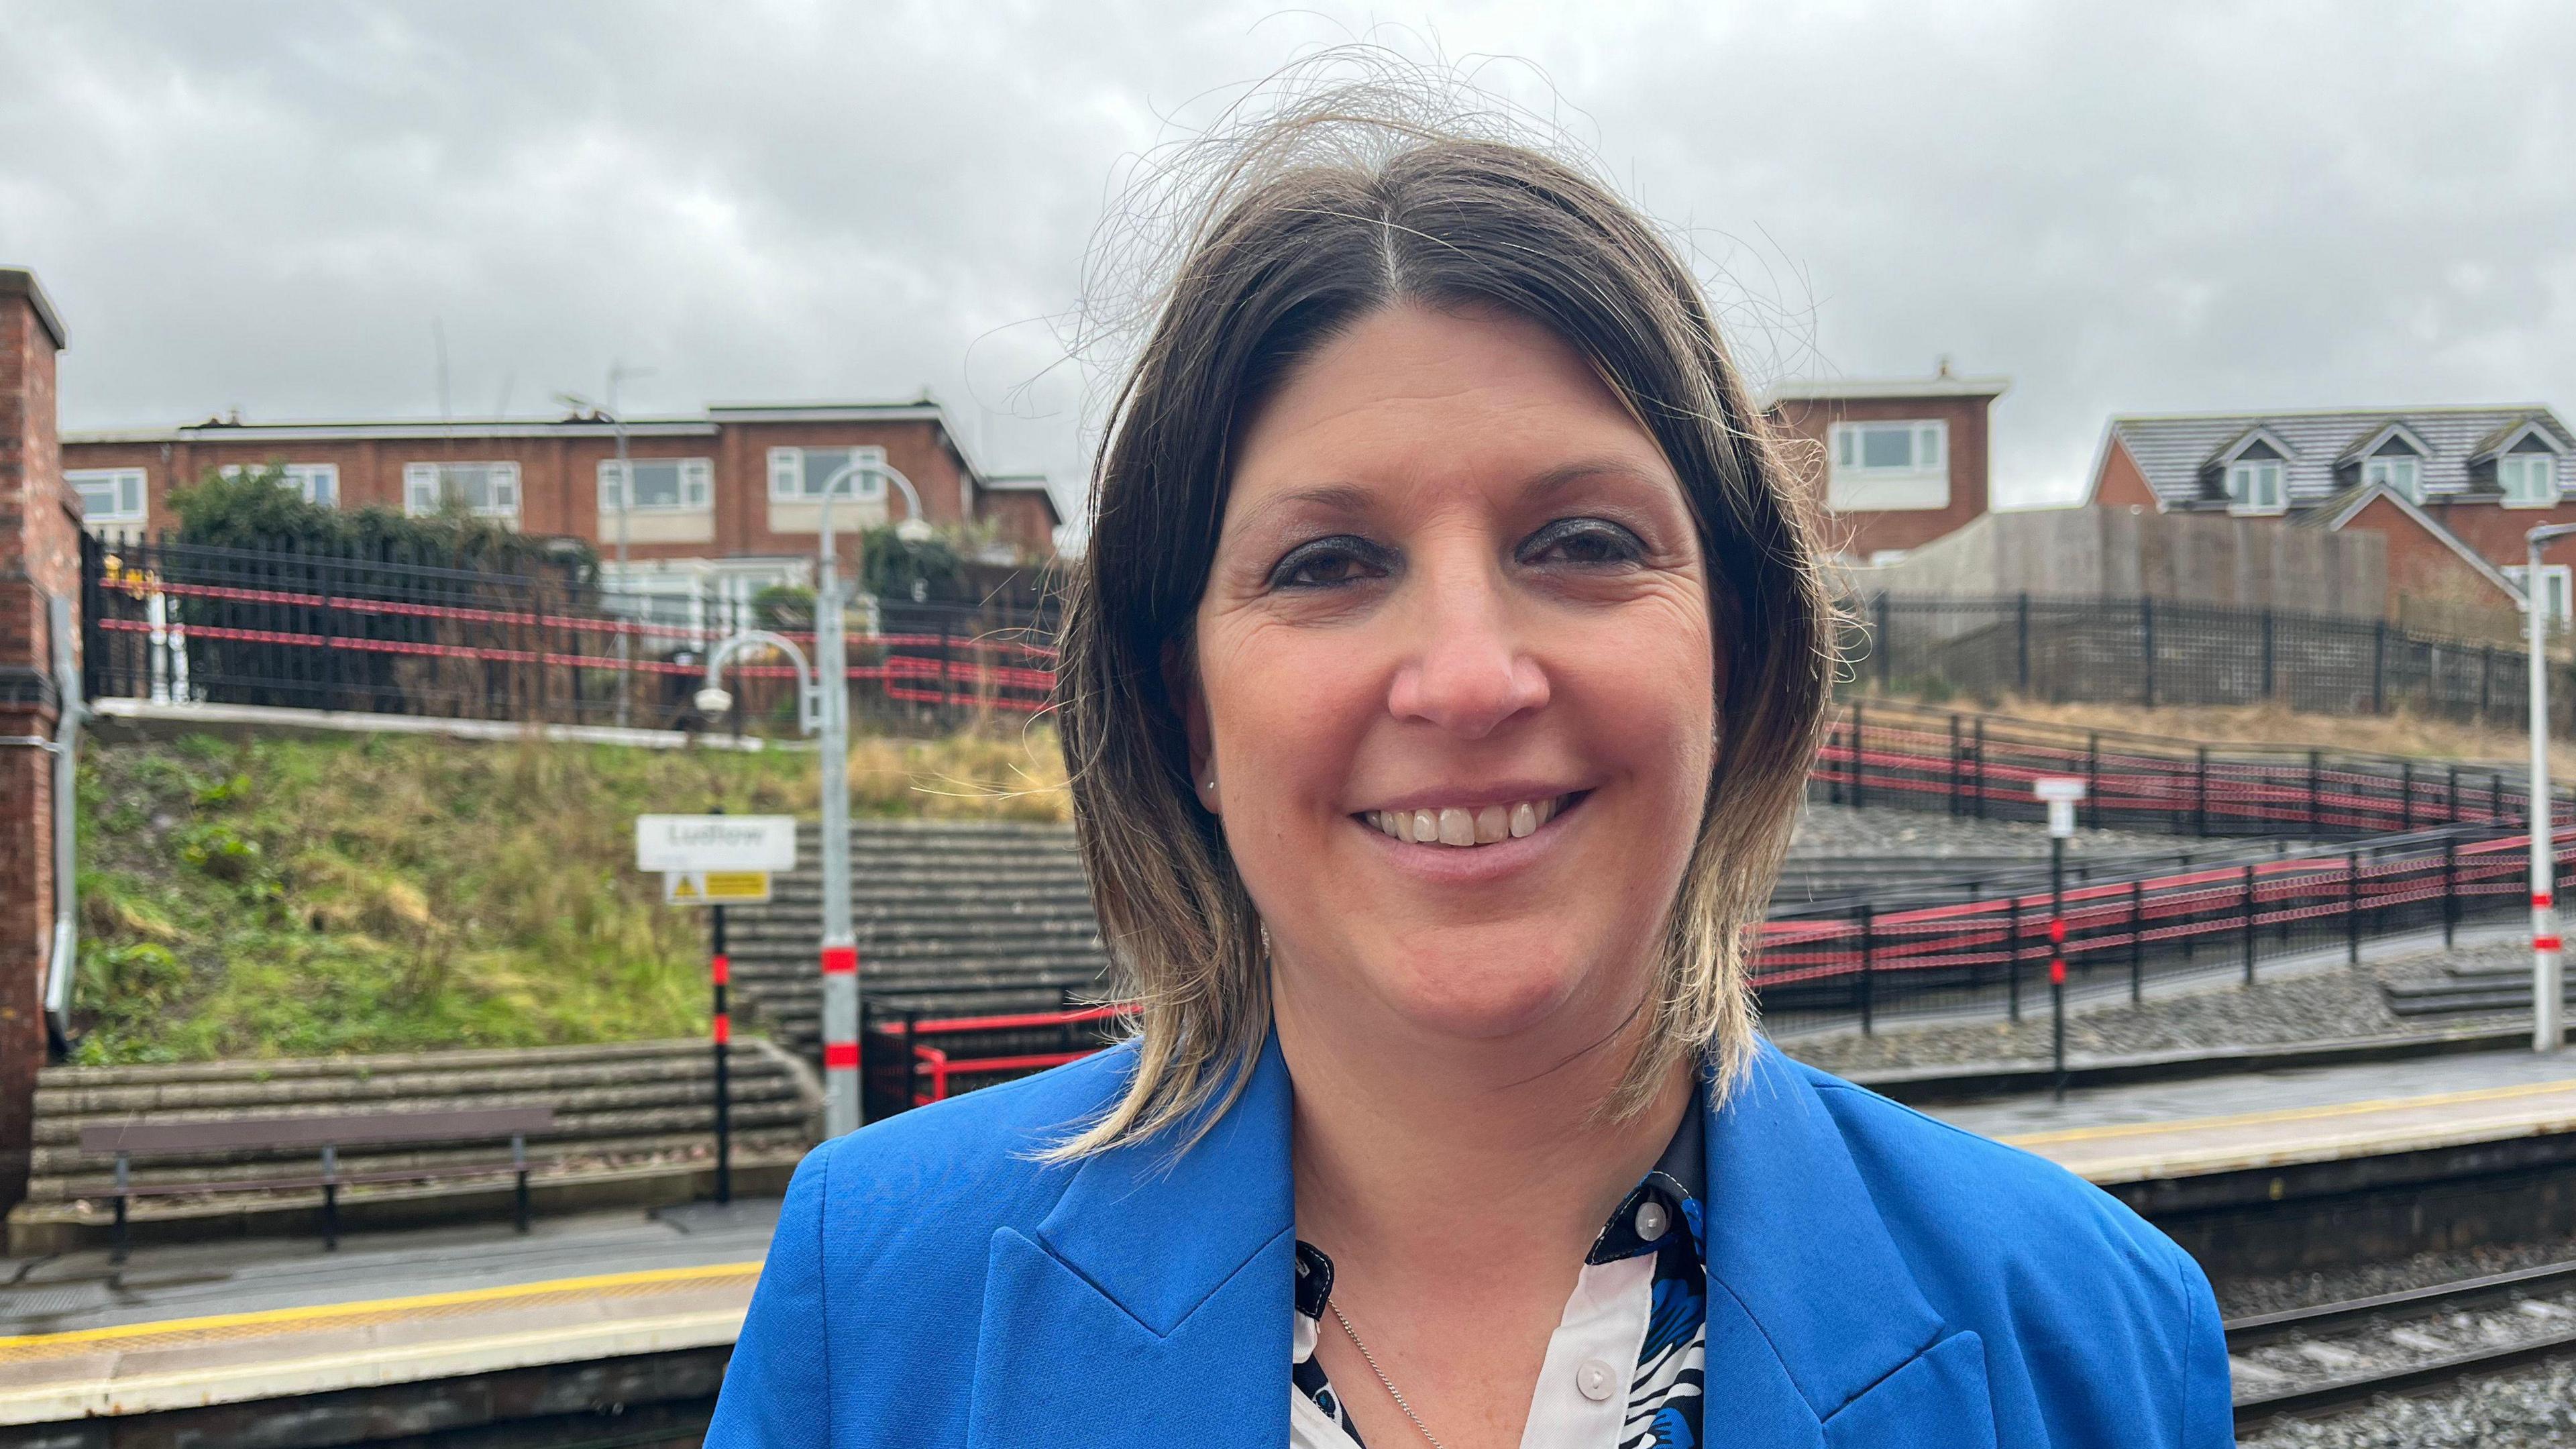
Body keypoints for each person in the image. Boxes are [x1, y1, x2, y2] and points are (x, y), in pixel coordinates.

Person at [705, 89, 2233, 1449]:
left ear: (1742, 650)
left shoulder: (2095, 1330)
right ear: (1188, 718)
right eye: (1327, 563)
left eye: (1581, 543)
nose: (1468, 677)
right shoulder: (879, 1294)